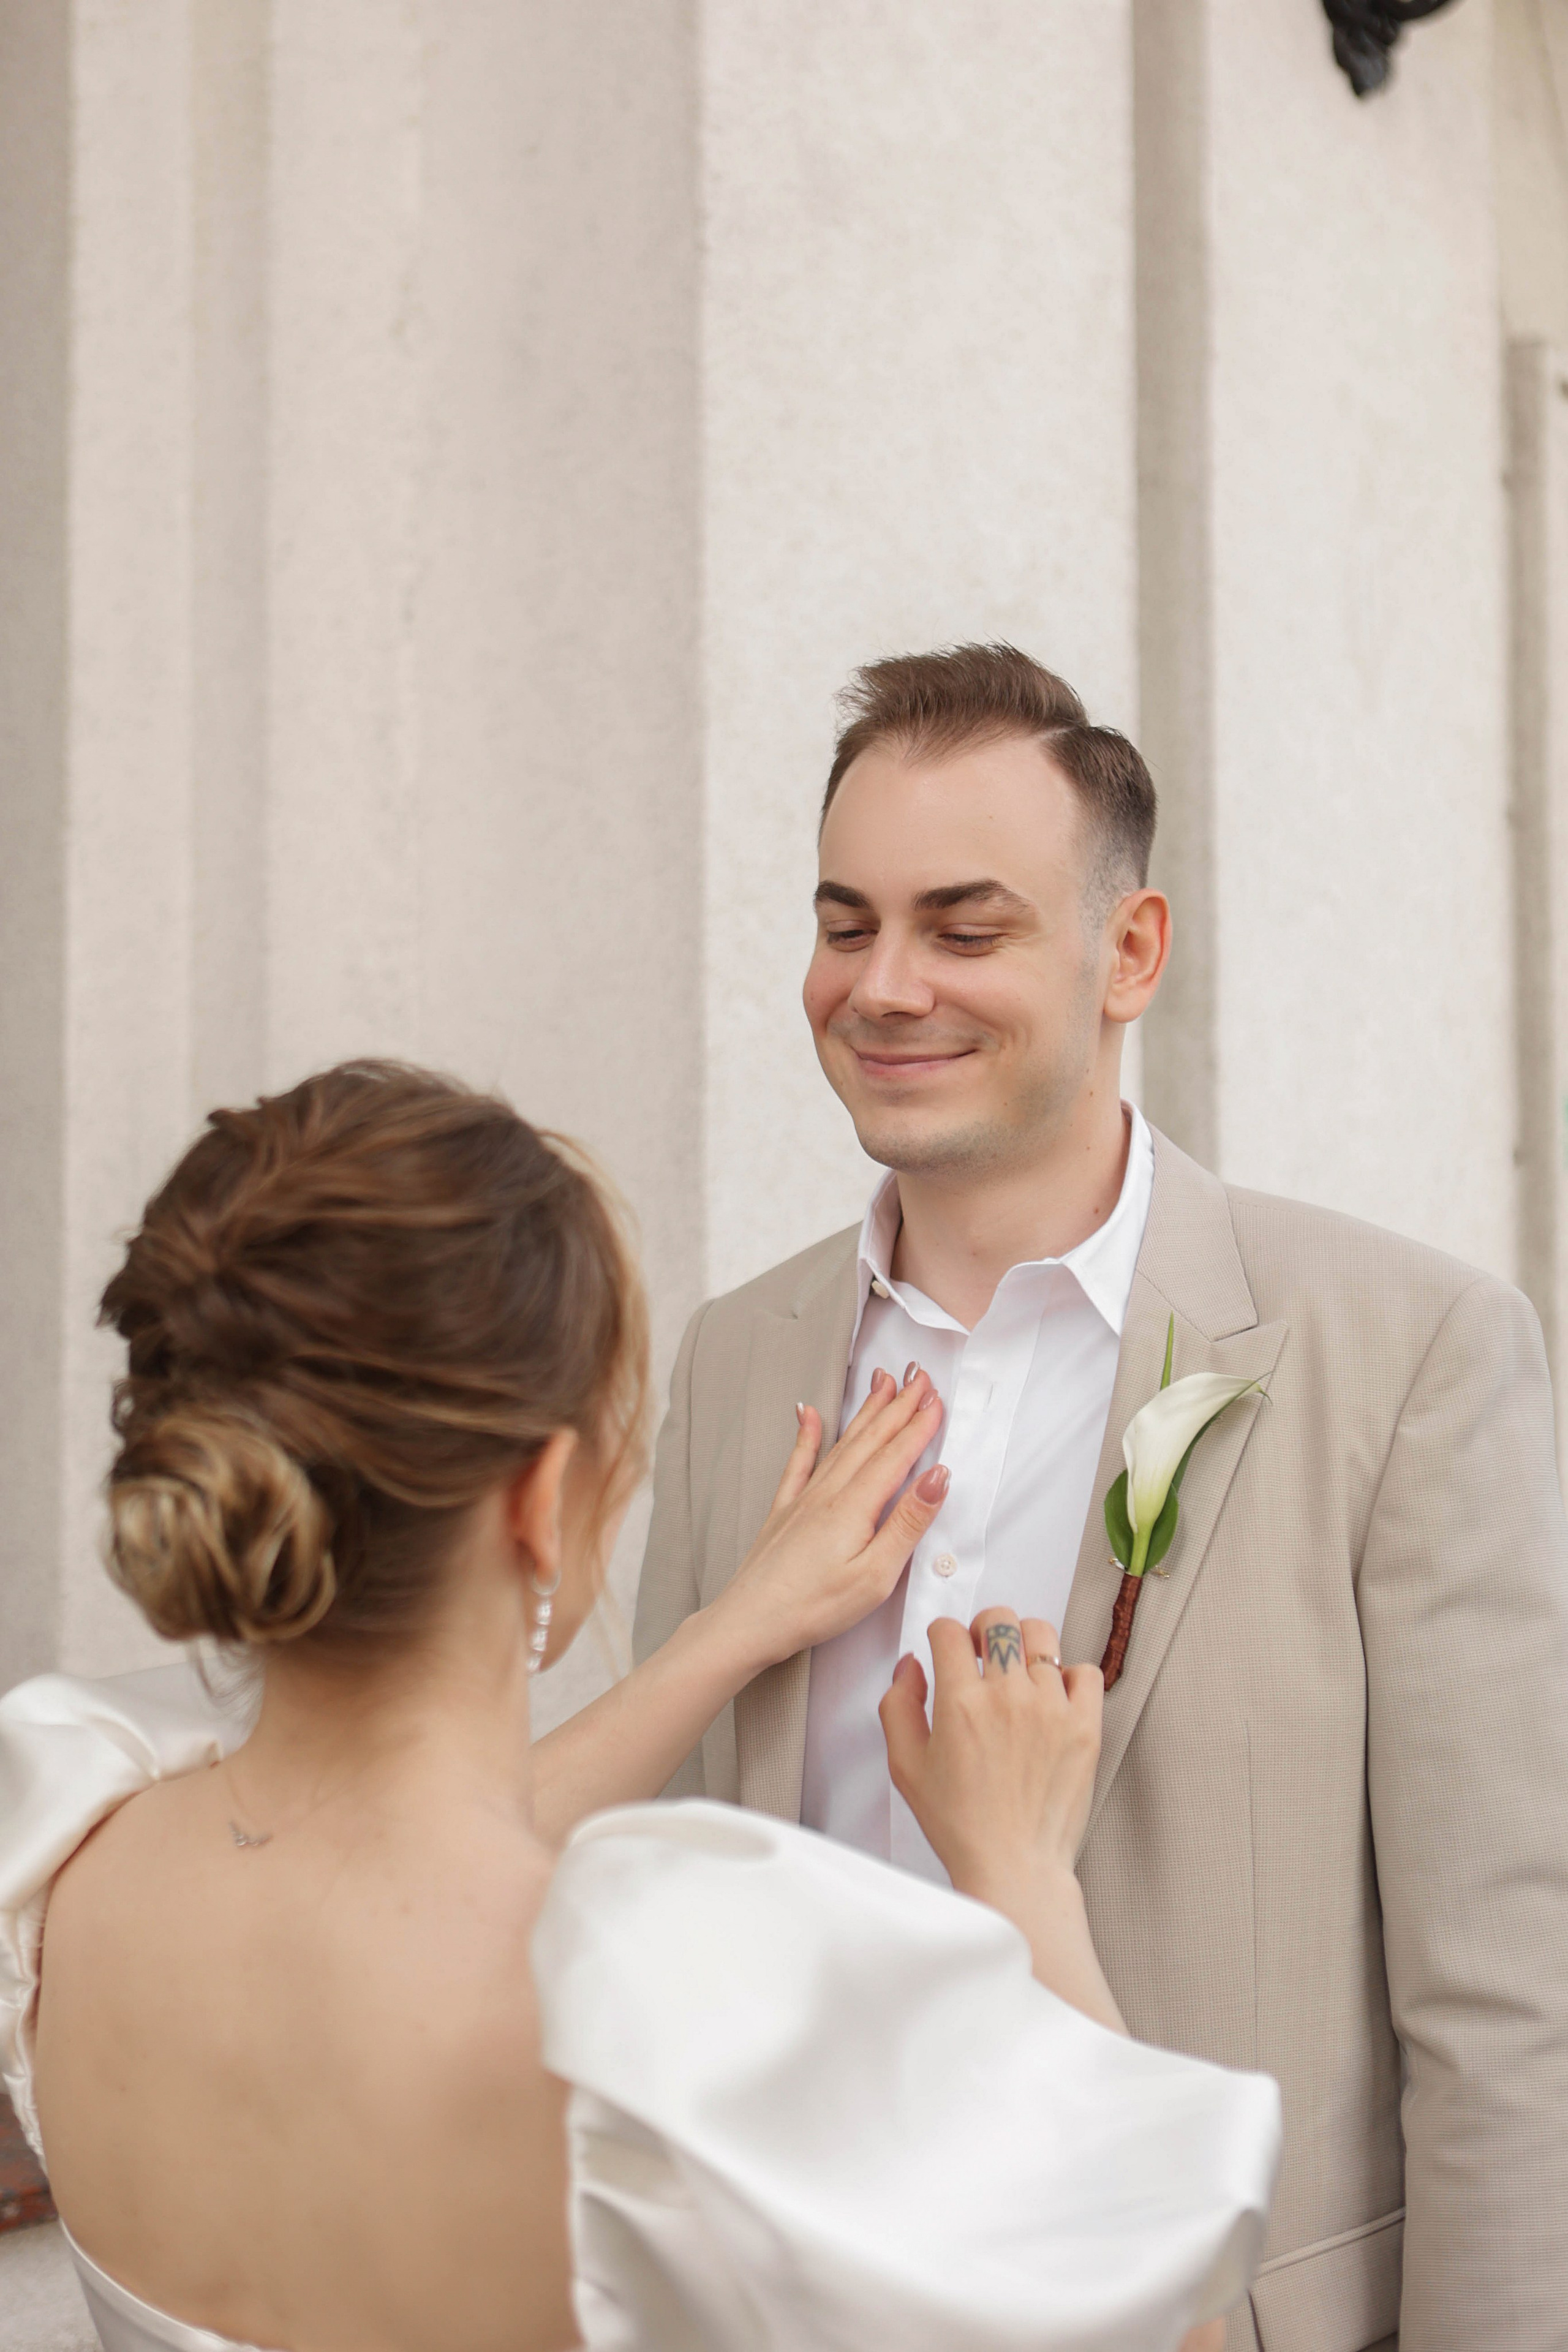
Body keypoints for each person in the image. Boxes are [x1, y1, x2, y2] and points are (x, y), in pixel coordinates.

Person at [0, 1060, 1278, 2352]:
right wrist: (1021, 1879)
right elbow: (1175, 2334)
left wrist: (729, 1632)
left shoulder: (73, 1853)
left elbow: (395, 1864)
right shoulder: (673, 2014)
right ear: (538, 1500)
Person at [633, 643, 1568, 2352]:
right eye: (847, 925)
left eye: (962, 930)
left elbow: (1508, 2017)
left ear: (1128, 951)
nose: (882, 988)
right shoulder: (733, 1360)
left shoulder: (1406, 1353)